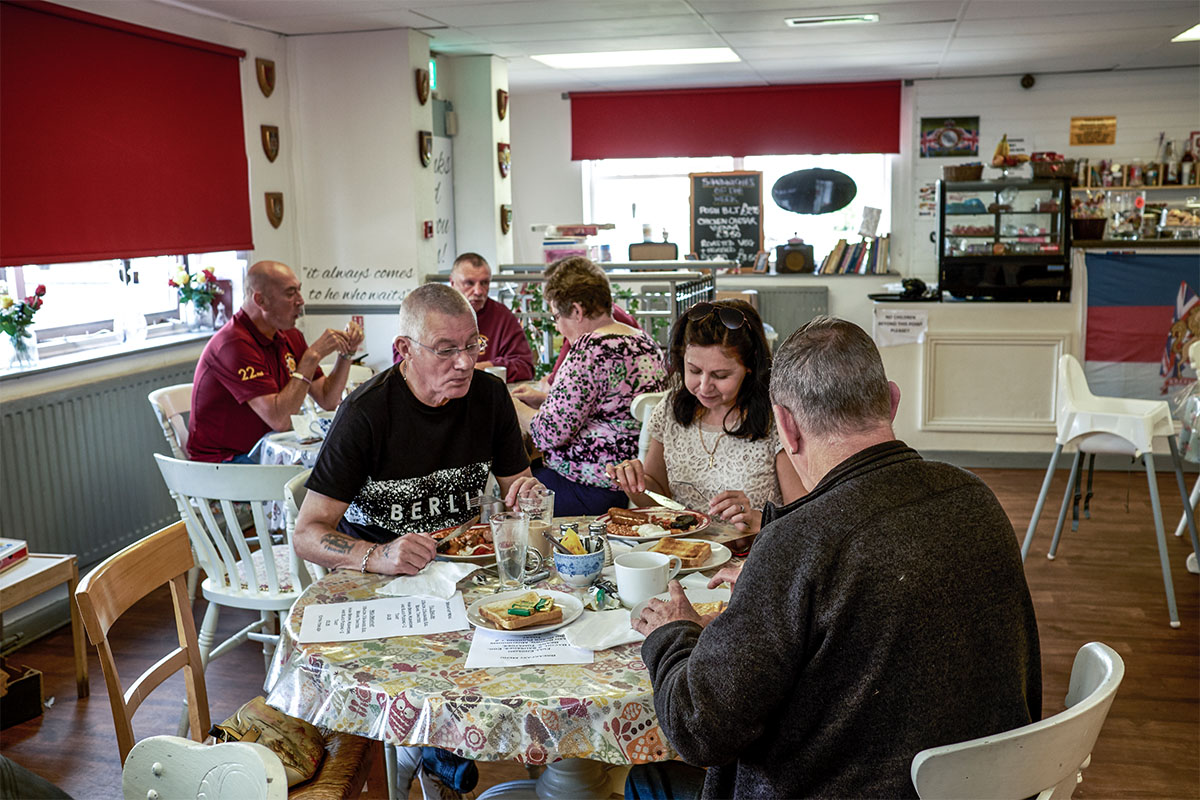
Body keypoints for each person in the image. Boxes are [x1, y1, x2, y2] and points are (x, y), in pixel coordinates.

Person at [630, 316, 1041, 799]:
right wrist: (775, 595)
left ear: (785, 425)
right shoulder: (976, 498)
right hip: (985, 786)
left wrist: (673, 632)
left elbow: (697, 728)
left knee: (646, 781)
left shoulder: (796, 543)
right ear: (891, 400)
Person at [294, 282, 543, 796]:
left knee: (538, 650)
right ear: (404, 351)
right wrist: (378, 554)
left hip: (465, 576)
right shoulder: (365, 414)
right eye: (445, 350)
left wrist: (526, 492)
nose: (464, 363)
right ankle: (424, 750)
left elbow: (514, 483)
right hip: (384, 590)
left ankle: (442, 751)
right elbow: (307, 532)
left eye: (472, 346)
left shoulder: (491, 396)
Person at [605, 299, 805, 532]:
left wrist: (758, 519)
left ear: (749, 367)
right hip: (684, 553)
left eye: (720, 375)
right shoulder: (672, 409)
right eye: (694, 370)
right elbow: (657, 500)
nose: (704, 386)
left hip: (753, 555)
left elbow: (801, 515)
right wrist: (634, 484)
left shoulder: (775, 418)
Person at [511, 257, 666, 515]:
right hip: (635, 483)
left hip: (591, 488)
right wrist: (542, 401)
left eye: (557, 317)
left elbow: (548, 434)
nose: (558, 327)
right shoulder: (643, 341)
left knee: (512, 489)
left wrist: (513, 405)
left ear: (576, 310)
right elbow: (608, 406)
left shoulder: (590, 350)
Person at [188, 260, 363, 463]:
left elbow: (328, 400)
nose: (301, 301)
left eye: (299, 291)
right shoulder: (233, 345)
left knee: (344, 465)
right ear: (260, 300)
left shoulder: (289, 334)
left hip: (265, 447)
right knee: (328, 474)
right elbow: (280, 420)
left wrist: (346, 355)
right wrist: (311, 357)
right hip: (225, 463)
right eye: (290, 293)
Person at [392, 253, 534, 382]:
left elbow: (525, 365)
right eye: (469, 283)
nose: (478, 291)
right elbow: (403, 361)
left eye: (484, 283)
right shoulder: (426, 314)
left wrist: (483, 368)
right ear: (452, 283)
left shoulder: (501, 316)